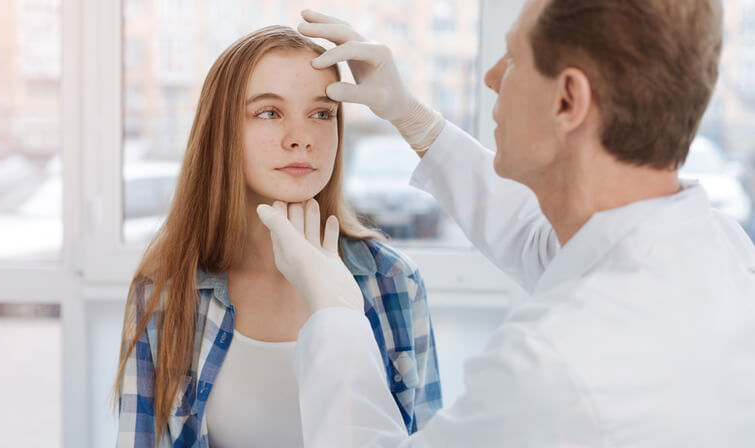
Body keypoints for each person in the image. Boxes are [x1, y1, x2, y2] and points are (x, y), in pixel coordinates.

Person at [256, 2, 755, 447]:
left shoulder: (554, 368)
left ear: (567, 100)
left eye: (513, 58)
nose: (492, 77)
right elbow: (531, 233)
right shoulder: (718, 250)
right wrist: (410, 115)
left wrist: (336, 313)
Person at [113, 26, 442, 447]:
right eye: (269, 112)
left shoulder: (394, 281)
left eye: (322, 113)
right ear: (222, 133)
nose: (301, 138)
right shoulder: (165, 289)